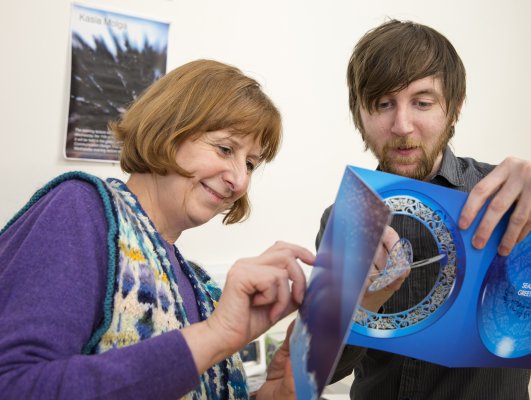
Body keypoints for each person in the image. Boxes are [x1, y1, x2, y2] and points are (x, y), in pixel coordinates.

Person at [0, 59, 316, 399]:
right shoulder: (81, 209)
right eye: (225, 149)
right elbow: (14, 385)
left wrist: (274, 394)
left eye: (250, 165)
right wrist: (215, 334)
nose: (239, 181)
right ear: (169, 128)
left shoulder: (197, 286)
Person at [318, 20, 531, 399]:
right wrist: (357, 303)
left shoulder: (518, 195)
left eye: (422, 102)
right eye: (383, 104)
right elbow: (323, 369)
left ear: (454, 108)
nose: (402, 125)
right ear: (360, 114)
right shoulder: (343, 216)